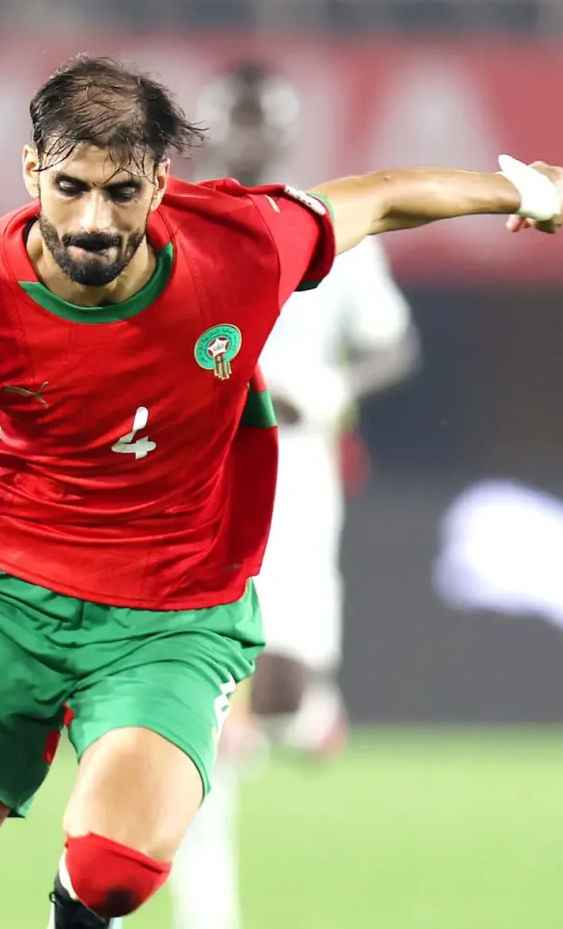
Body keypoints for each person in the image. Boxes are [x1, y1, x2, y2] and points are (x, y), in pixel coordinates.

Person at [0, 54, 563, 929]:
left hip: (166, 617)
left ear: (158, 182)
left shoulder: (238, 244)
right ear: (31, 171)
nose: (92, 219)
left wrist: (524, 193)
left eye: (120, 191)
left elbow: (379, 197)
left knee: (110, 872)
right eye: (70, 186)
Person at [165, 61, 423, 929]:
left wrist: (337, 387)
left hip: (298, 472)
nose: (247, 136)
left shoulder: (333, 225)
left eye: (260, 120)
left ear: (285, 130)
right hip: (194, 473)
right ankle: (207, 907)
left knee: (276, 689)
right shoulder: (172, 224)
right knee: (196, 696)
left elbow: (393, 343)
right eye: (233, 118)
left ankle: (300, 710)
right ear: (209, 126)